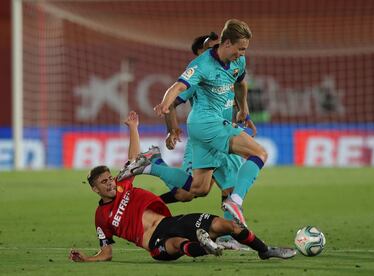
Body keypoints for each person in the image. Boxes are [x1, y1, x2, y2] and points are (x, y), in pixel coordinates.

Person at [68, 111, 296, 262]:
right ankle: (207, 243)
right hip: (155, 243)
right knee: (179, 243)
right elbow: (106, 252)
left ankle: (264, 251)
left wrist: (133, 128)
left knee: (229, 225)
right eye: (104, 182)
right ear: (95, 189)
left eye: (109, 178)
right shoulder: (101, 217)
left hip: (170, 221)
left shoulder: (121, 186)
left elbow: (134, 161)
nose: (109, 183)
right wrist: (87, 259)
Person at [153, 19, 267, 228]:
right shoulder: (201, 67)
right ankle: (234, 208)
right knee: (257, 155)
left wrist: (244, 109)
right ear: (227, 43)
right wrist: (168, 116)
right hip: (208, 127)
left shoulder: (238, 61)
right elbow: (177, 90)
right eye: (240, 49)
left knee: (199, 189)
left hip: (221, 127)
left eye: (244, 49)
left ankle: (152, 165)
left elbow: (241, 82)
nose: (242, 53)